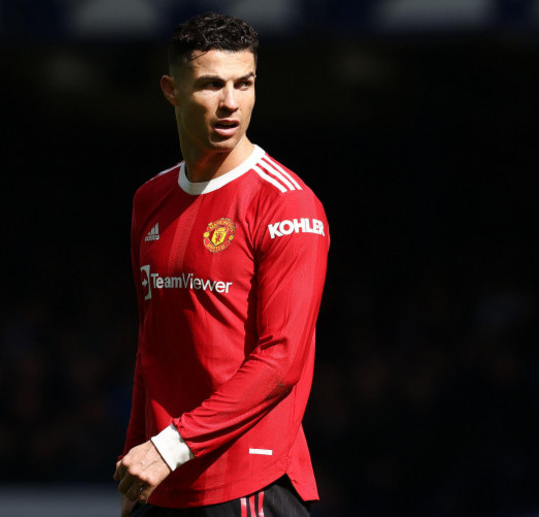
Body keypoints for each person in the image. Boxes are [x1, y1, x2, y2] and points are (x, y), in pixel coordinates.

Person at [113, 12, 330, 517]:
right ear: (171, 89)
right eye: (212, 84)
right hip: (163, 479)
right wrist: (136, 460)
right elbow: (154, 345)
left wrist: (166, 446)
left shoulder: (287, 205)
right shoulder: (151, 199)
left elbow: (281, 361)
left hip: (248, 481)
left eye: (244, 83)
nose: (231, 102)